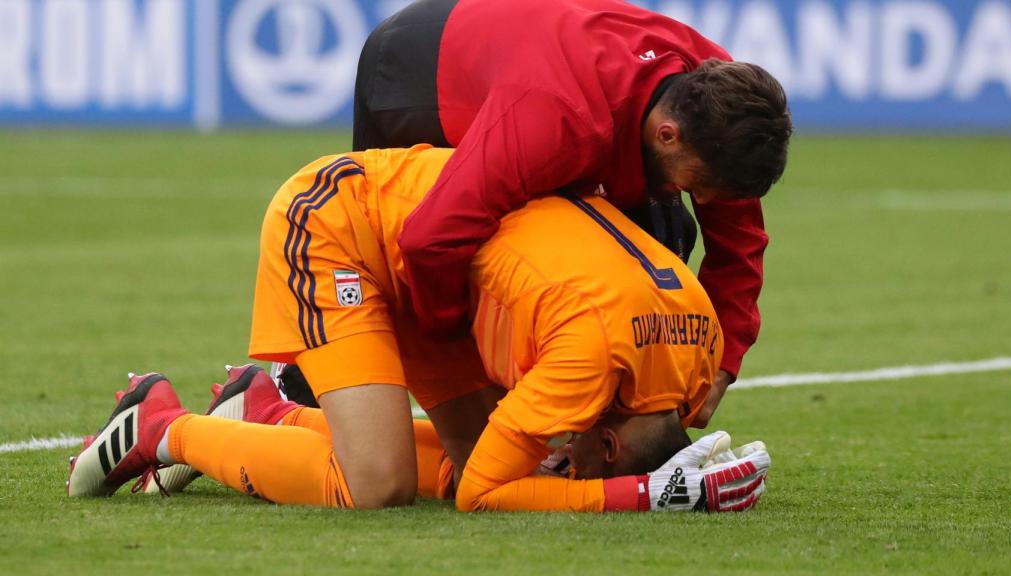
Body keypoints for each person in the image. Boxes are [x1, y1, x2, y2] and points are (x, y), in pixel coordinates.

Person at [68, 146, 770, 512]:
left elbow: (508, 470)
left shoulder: (692, 349)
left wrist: (648, 478)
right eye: (588, 456)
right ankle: (162, 425)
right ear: (611, 439)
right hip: (345, 226)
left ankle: (268, 413)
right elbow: (482, 500)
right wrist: (643, 494)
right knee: (376, 487)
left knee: (504, 463)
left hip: (440, 271)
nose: (570, 458)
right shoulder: (589, 358)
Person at [346, 0, 793, 425]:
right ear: (668, 135)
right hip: (416, 74)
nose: (707, 201)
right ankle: (303, 384)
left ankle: (596, 413)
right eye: (700, 184)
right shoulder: (557, 119)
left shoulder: (726, 108)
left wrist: (721, 363)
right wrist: (463, 353)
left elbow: (738, 247)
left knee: (665, 235)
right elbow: (430, 240)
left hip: (533, 57)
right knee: (401, 256)